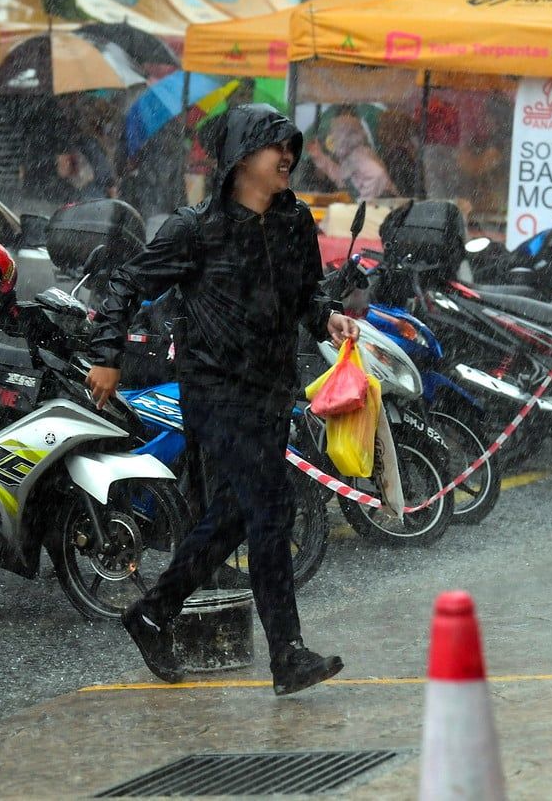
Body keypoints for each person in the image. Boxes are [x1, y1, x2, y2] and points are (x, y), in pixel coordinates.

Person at [84, 103, 359, 696]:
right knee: (272, 506)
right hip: (214, 391)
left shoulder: (293, 224)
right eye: (273, 146)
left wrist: (328, 317)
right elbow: (124, 285)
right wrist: (106, 356)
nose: (287, 156)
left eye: (291, 145)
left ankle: (154, 612)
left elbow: (303, 297)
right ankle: (286, 654)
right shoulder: (195, 230)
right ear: (239, 158)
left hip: (270, 391)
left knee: (238, 513)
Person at [305, 106, 396, 200]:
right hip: (380, 207)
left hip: (384, 206)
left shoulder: (360, 155)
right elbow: (342, 177)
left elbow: (378, 175)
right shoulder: (351, 155)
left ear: (345, 136)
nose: (332, 137)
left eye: (336, 133)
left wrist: (364, 200)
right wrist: (319, 157)